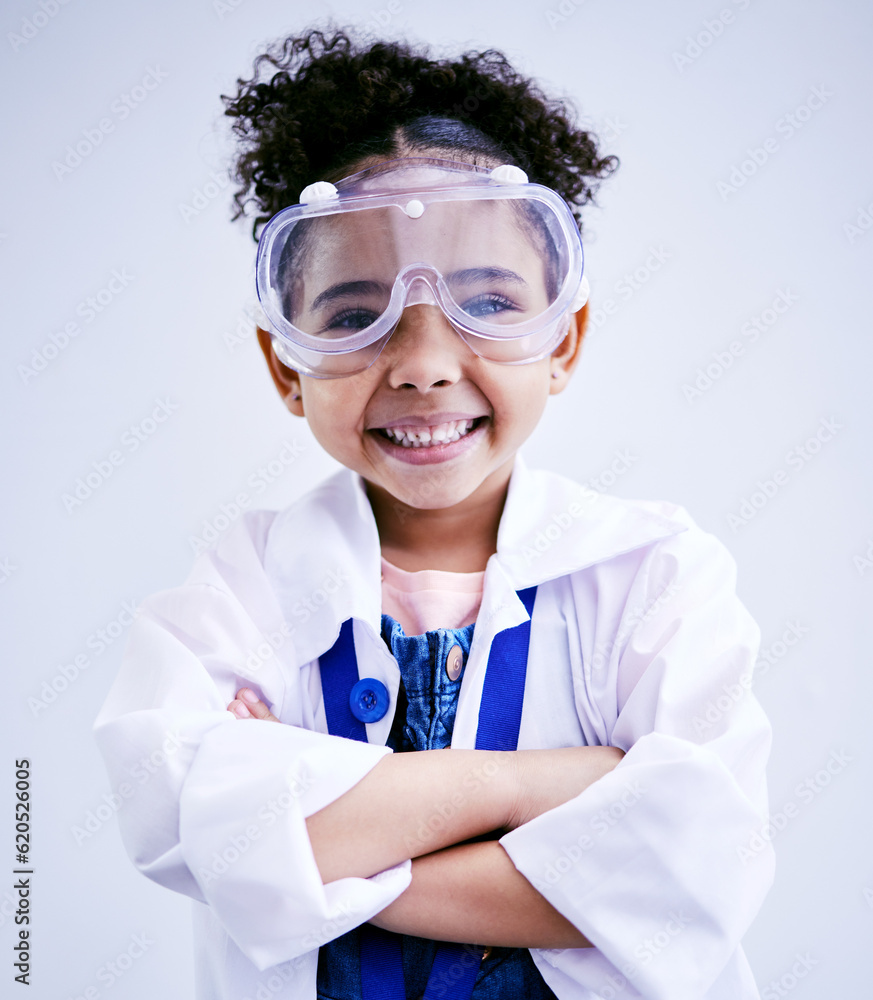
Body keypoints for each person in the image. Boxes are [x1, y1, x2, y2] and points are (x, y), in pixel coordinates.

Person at [93, 27, 775, 1000]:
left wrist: (314, 853)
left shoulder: (658, 573)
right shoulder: (239, 587)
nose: (422, 361)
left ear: (564, 341)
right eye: (349, 314)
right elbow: (179, 820)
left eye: (488, 300)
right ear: (285, 364)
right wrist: (538, 787)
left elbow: (696, 870)